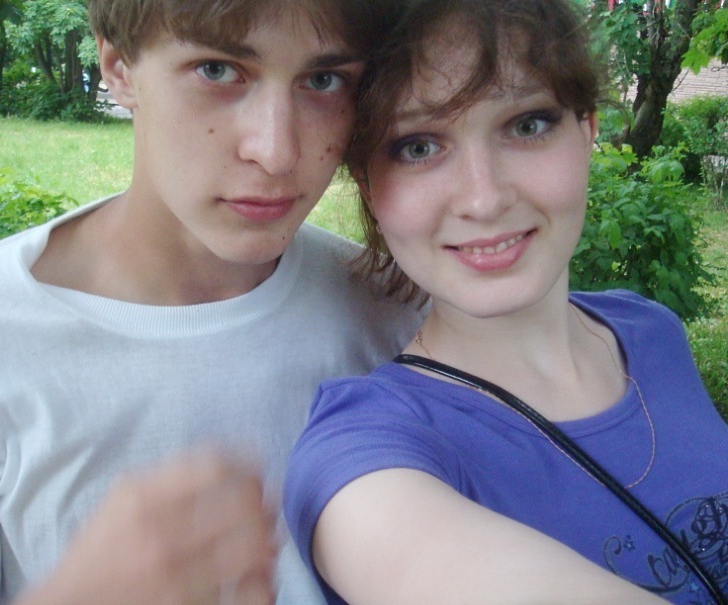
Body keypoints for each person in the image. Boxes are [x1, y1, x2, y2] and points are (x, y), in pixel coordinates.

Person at [0, 1, 421, 604]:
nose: (275, 151)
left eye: (323, 80)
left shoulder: (400, 310)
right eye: (217, 70)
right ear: (119, 67)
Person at [284, 0, 728, 603]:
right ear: (367, 186)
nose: (484, 199)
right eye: (418, 147)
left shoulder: (651, 331)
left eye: (526, 125)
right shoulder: (363, 453)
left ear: (588, 129)